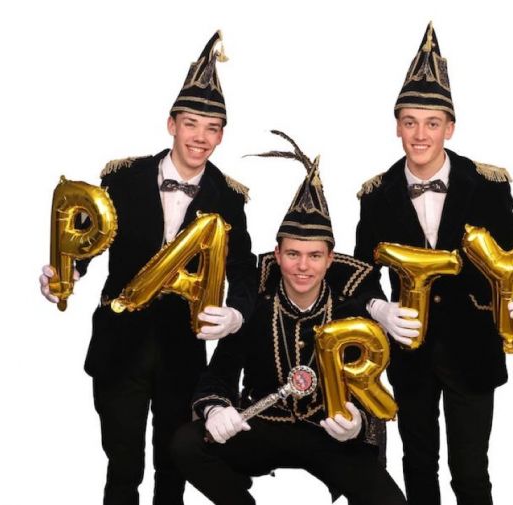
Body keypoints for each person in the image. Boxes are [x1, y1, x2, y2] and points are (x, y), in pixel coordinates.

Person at [39, 31, 257, 505]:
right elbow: (90, 240)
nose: (200, 137)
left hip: (183, 351)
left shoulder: (229, 199)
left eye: (212, 128)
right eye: (191, 124)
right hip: (120, 345)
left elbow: (244, 270)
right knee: (123, 465)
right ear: (171, 124)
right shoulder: (123, 179)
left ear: (221, 135)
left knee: (173, 465)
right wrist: (66, 272)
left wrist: (236, 314)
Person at [354, 23, 513, 505]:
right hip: (410, 355)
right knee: (418, 467)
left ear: (449, 128)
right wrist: (379, 309)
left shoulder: (487, 186)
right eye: (410, 122)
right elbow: (357, 274)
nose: (420, 135)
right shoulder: (375, 197)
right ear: (397, 126)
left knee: (471, 472)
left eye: (432, 123)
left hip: (473, 348)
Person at [170, 132, 407, 505]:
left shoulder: (350, 311)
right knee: (186, 444)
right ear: (277, 255)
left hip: (329, 431)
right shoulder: (255, 307)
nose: (302, 266)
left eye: (314, 256)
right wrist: (216, 409)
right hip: (264, 424)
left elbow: (370, 386)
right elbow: (217, 376)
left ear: (330, 260)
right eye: (293, 254)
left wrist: (358, 424)